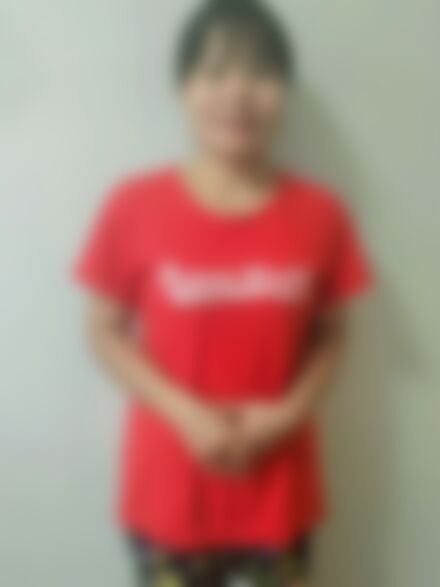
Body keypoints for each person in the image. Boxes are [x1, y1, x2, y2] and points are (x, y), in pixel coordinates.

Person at [74, 0, 371, 584]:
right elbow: (102, 331)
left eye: (260, 73)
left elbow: (333, 337)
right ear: (183, 89)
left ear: (284, 92)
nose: (237, 93)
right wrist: (186, 413)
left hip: (277, 490)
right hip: (170, 491)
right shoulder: (134, 205)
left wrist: (286, 415)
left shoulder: (321, 213)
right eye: (215, 72)